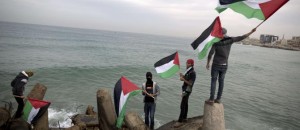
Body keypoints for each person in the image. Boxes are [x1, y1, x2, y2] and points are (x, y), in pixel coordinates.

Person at [205, 28, 256, 104]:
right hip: (225, 65)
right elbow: (242, 37)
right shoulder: (230, 40)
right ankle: (218, 99)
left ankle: (211, 99)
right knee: (221, 81)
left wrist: (208, 63)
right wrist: (251, 32)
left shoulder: (216, 42)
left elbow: (210, 53)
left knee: (213, 81)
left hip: (216, 64)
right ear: (226, 33)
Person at [177, 59, 196, 123]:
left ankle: (180, 121)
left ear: (191, 64)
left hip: (187, 89)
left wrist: (183, 79)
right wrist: (182, 76)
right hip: (185, 88)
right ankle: (185, 118)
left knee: (182, 105)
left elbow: (190, 83)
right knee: (186, 103)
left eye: (188, 63)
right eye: (186, 63)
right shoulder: (188, 71)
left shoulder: (193, 73)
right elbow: (185, 78)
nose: (187, 64)